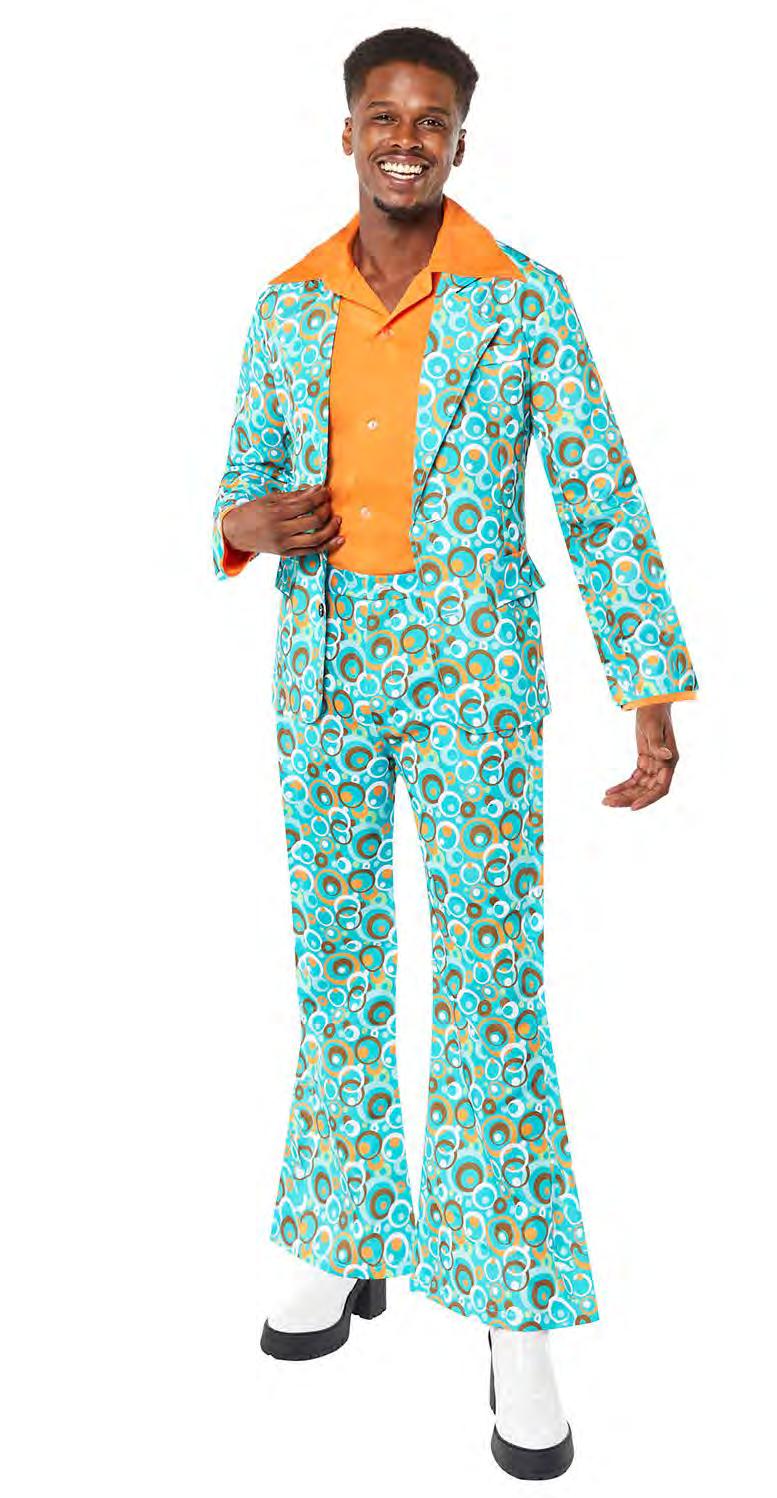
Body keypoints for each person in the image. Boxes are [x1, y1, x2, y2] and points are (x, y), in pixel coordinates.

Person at [211, 25, 699, 1482]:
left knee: (491, 983)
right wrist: (243, 525)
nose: (405, 138)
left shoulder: (523, 299)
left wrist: (648, 687)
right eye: (383, 115)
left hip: (476, 680)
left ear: (461, 141)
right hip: (323, 677)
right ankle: (343, 1227)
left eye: (431, 119)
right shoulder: (286, 303)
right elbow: (240, 478)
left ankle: (509, 1305)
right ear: (346, 132)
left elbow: (600, 494)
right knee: (338, 962)